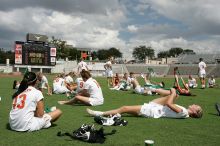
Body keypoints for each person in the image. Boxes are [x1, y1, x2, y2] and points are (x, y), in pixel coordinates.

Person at [87, 88, 202, 119]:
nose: (194, 104)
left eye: (196, 106)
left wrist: (172, 93)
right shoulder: (185, 113)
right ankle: (152, 90)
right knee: (174, 94)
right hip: (156, 108)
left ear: (195, 112)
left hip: (152, 111)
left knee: (124, 108)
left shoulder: (184, 112)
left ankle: (100, 113)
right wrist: (173, 94)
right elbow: (169, 104)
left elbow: (169, 104)